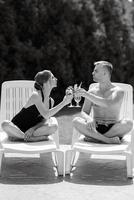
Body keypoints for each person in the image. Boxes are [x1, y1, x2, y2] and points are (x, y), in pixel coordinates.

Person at [1, 70, 73, 142]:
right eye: (53, 77)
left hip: (32, 131)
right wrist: (64, 103)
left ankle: (21, 137)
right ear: (46, 82)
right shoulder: (36, 95)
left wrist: (32, 129)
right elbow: (46, 114)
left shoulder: (51, 101)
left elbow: (44, 120)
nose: (56, 79)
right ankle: (29, 138)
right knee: (5, 124)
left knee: (54, 127)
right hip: (16, 128)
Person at [73, 61, 133, 144]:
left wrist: (86, 94)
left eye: (96, 71)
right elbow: (84, 112)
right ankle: (107, 140)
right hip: (94, 127)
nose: (92, 73)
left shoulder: (118, 91)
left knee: (128, 123)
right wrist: (88, 118)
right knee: (76, 121)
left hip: (113, 128)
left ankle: (96, 138)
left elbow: (108, 104)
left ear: (105, 73)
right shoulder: (92, 92)